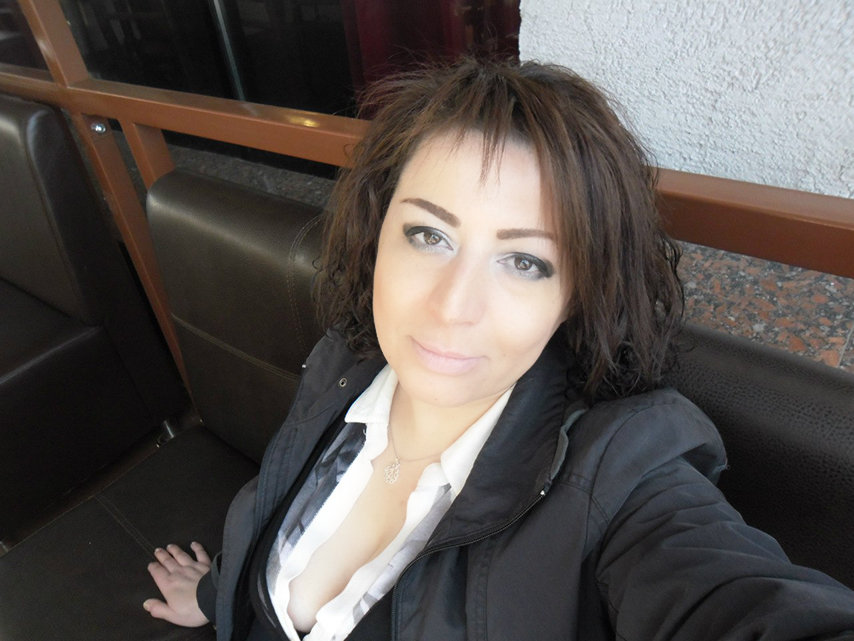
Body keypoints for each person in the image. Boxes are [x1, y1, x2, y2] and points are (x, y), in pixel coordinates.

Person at [143, 58, 854, 640]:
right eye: (429, 235)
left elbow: (733, 598)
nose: (453, 306)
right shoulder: (344, 362)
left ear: (574, 294)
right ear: (377, 234)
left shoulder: (623, 479)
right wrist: (217, 592)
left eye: (524, 262)